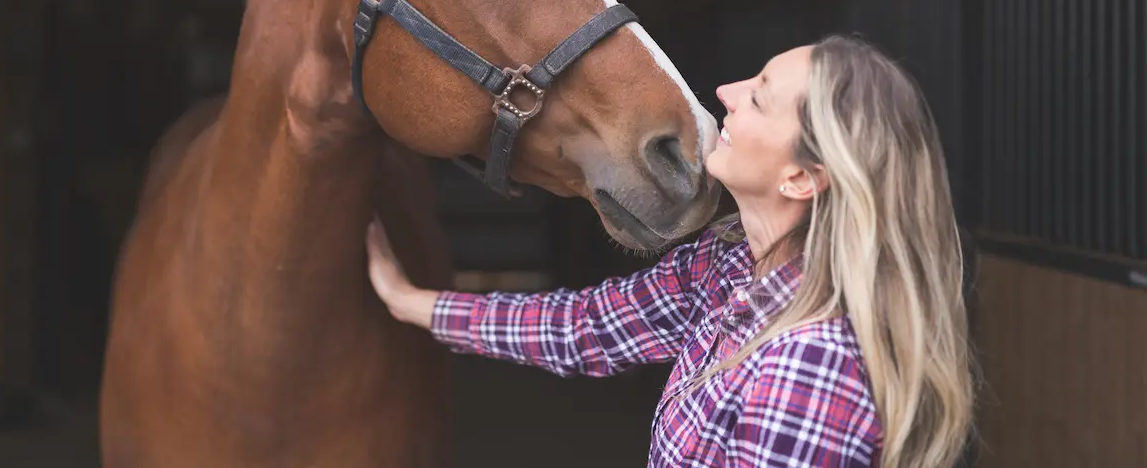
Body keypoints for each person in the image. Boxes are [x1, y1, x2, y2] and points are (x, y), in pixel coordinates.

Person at [367, 35, 975, 468]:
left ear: (800, 178)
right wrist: (410, 301)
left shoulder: (807, 365)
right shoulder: (728, 266)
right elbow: (585, 328)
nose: (726, 92)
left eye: (759, 97)